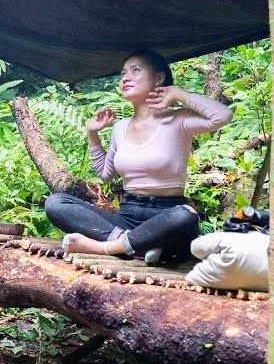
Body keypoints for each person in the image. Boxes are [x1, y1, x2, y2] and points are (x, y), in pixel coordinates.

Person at [45, 49, 232, 262]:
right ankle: (135, 244)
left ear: (159, 78)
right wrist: (92, 133)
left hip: (166, 216)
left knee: (185, 215)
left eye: (136, 70)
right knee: (56, 203)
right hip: (126, 217)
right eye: (123, 73)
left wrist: (180, 94)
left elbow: (223, 115)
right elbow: (106, 175)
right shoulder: (120, 128)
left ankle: (107, 247)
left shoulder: (180, 120)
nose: (125, 77)